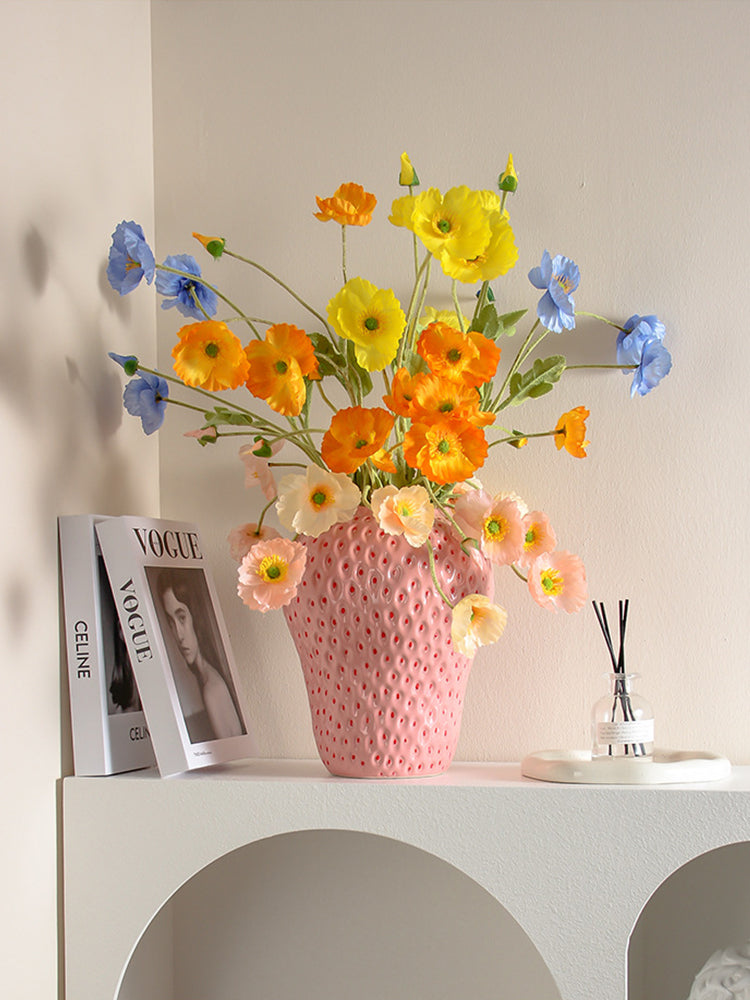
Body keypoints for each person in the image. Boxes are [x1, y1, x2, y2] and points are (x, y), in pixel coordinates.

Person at [154, 569, 245, 742]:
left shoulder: (212, 690)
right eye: (171, 622)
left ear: (196, 616)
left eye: (182, 618)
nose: (178, 634)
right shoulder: (207, 681)